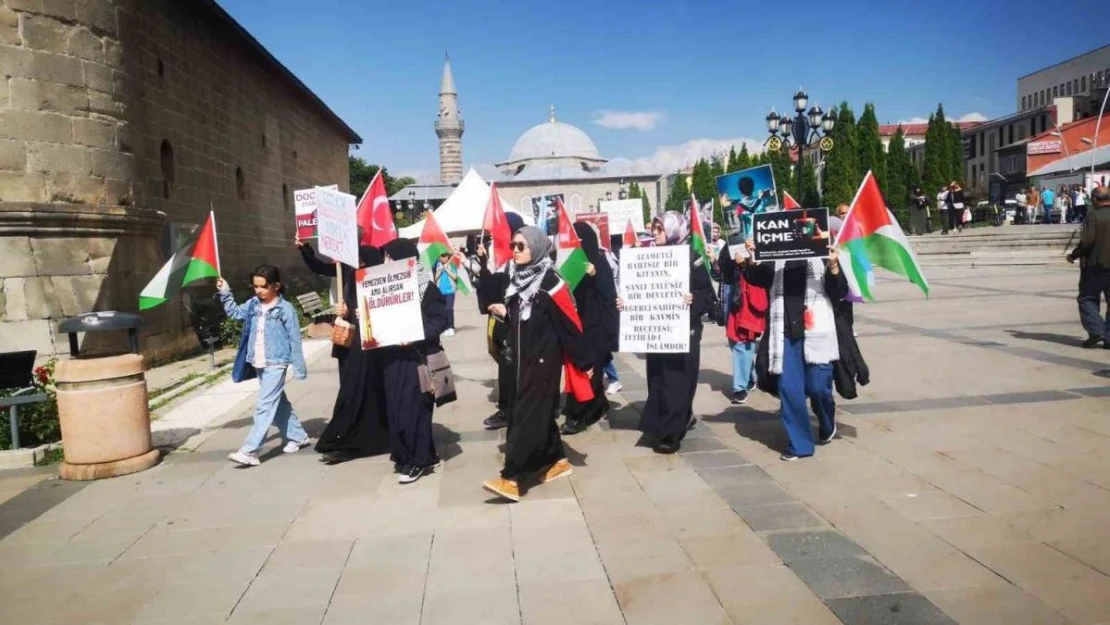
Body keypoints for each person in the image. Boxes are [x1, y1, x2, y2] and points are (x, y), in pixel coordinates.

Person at [482, 226, 592, 502]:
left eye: (521, 246)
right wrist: (505, 314)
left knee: (524, 417)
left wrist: (585, 361)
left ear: (537, 247)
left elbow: (569, 324)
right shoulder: (518, 278)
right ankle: (555, 460)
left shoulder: (550, 283)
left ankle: (513, 477)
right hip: (522, 359)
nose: (515, 250)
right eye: (513, 245)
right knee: (538, 414)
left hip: (543, 362)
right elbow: (524, 320)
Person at [746, 242, 848, 461]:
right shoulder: (776, 254)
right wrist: (754, 258)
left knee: (818, 387)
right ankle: (800, 444)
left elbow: (839, 291)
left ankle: (826, 418)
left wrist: (833, 265)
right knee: (790, 390)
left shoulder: (822, 253)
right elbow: (757, 277)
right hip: (785, 334)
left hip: (817, 333)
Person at [626, 212, 716, 454]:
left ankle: (672, 432)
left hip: (685, 332)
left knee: (678, 381)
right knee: (658, 380)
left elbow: (707, 296)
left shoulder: (692, 258)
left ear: (674, 230)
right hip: (660, 332)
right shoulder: (650, 257)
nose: (654, 234)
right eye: (653, 229)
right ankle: (662, 423)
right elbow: (642, 290)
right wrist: (626, 303)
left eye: (659, 229)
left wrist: (692, 299)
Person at [219, 265, 310, 467]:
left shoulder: (285, 309)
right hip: (258, 361)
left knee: (264, 406)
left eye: (263, 287)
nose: (258, 291)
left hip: (276, 362)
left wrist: (299, 367)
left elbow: (295, 339)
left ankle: (250, 451)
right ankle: (299, 436)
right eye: (255, 286)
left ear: (276, 286)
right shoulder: (253, 305)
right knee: (278, 403)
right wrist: (225, 292)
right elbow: (235, 313)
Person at [380, 239, 449, 483]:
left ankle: (417, 461)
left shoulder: (427, 288)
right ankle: (407, 455)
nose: (386, 262)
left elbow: (440, 321)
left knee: (415, 411)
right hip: (392, 360)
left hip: (416, 359)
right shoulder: (387, 287)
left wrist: (414, 337)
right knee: (397, 410)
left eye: (390, 257)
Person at [315, 246, 391, 465]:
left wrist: (370, 312)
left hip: (369, 346)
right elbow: (320, 268)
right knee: (351, 388)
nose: (359, 264)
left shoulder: (377, 279)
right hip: (351, 345)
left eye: (362, 260)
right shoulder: (350, 276)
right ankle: (347, 435)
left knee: (361, 390)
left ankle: (355, 439)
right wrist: (344, 309)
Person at [561, 222, 619, 435]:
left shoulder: (599, 262)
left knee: (591, 374)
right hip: (578, 327)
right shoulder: (573, 263)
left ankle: (583, 414)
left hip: (598, 329)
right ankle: (598, 404)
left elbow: (609, 295)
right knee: (582, 370)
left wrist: (595, 276)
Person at [476, 213, 526, 430]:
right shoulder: (503, 260)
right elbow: (492, 290)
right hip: (504, 324)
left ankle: (511, 410)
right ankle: (508, 407)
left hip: (521, 325)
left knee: (515, 368)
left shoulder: (524, 261)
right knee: (507, 367)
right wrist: (484, 263)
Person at [1067, 185, 1110, 349]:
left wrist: (1073, 255)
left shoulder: (1093, 215)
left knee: (1087, 299)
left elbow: (1087, 241)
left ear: (1093, 200)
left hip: (1094, 265)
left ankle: (1096, 330)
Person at [725, 244, 767, 404]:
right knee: (736, 343)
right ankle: (749, 377)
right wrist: (713, 259)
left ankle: (739, 387)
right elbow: (720, 273)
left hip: (749, 304)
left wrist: (747, 263)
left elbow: (762, 274)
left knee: (741, 345)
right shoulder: (731, 244)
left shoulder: (761, 244)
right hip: (734, 303)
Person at [433, 251, 459, 337]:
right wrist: (440, 270)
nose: (444, 258)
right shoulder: (437, 265)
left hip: (450, 291)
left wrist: (447, 269)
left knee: (449, 309)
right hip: (440, 291)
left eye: (446, 256)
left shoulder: (452, 264)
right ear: (439, 257)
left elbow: (455, 277)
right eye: (442, 256)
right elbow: (435, 278)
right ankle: (445, 328)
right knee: (442, 310)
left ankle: (451, 327)